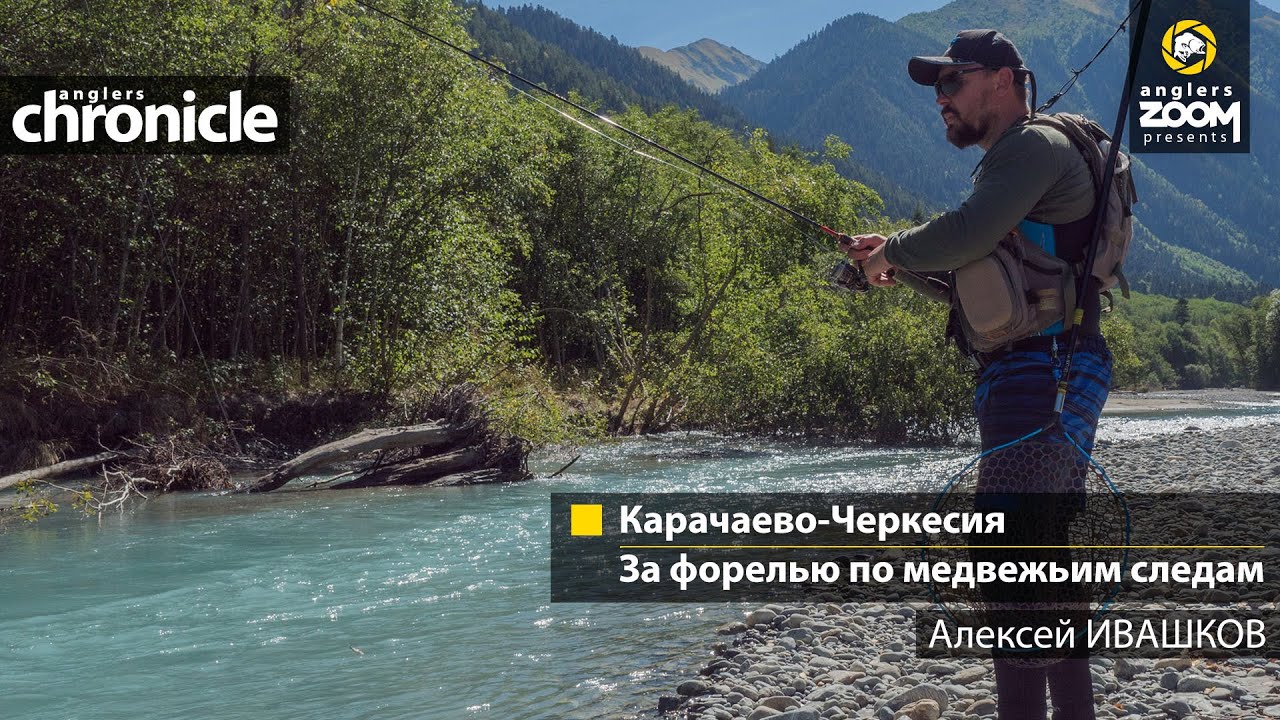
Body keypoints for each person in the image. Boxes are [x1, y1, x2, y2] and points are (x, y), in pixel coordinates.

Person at [842, 30, 1113, 720]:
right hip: (1036, 370)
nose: (940, 101)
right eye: (937, 88)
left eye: (950, 83)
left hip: (1038, 375)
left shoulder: (1033, 147)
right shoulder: (1019, 160)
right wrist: (893, 265)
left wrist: (892, 249)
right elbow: (979, 280)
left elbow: (966, 233)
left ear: (1001, 79)